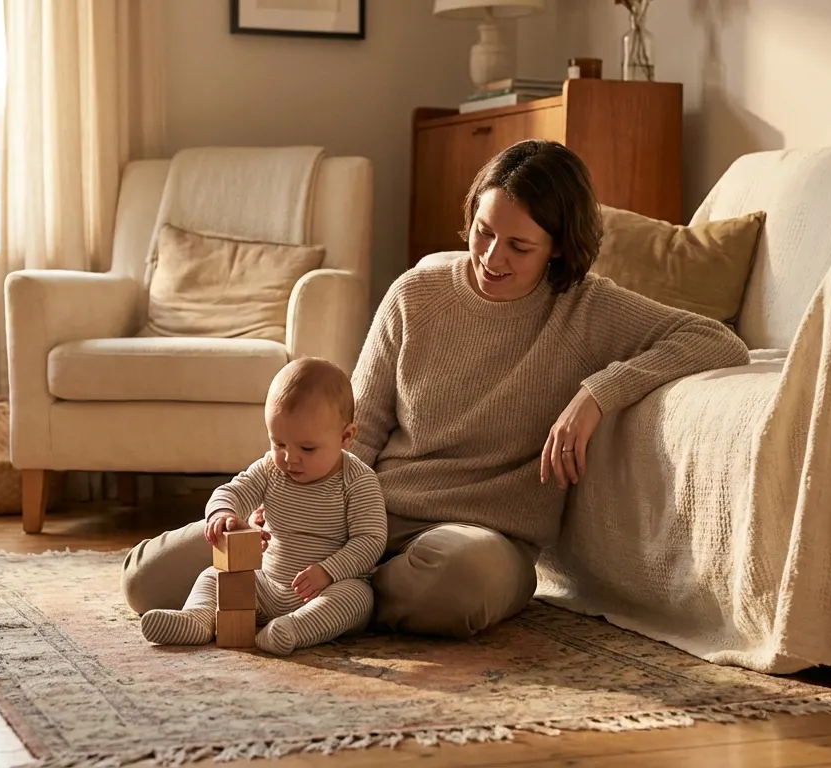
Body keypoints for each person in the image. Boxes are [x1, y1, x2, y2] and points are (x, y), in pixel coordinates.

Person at [122, 139, 750, 639]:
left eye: (520, 246)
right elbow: (359, 426)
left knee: (460, 587)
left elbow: (715, 340)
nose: (491, 257)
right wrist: (304, 510)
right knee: (149, 582)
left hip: (482, 538)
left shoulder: (588, 308)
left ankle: (344, 598)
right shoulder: (416, 293)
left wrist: (597, 393)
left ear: (560, 250)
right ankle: (336, 595)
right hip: (369, 514)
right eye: (483, 231)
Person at [138, 357, 386, 655]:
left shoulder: (357, 480)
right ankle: (199, 618)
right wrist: (224, 514)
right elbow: (232, 490)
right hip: (265, 586)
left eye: (307, 448)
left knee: (358, 597)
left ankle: (294, 629)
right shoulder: (271, 469)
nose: (289, 458)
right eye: (278, 443)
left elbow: (370, 541)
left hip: (324, 591)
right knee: (214, 575)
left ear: (346, 437)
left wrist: (328, 572)